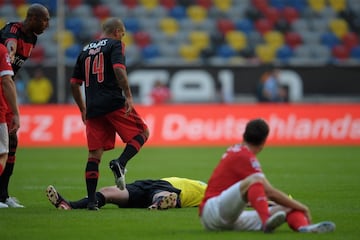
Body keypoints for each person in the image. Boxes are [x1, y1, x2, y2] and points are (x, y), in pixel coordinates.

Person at [199, 118, 335, 233]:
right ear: (264, 142)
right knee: (255, 179)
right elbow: (269, 191)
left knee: (287, 208)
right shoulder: (244, 156)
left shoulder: (237, 150)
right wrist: (302, 207)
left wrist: (293, 205)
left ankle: (305, 228)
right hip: (213, 210)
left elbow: (260, 193)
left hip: (229, 218)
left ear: (244, 135)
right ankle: (266, 222)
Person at [70, 17, 149, 210]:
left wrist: (82, 108)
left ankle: (91, 202)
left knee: (94, 155)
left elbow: (74, 83)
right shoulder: (115, 45)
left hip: (93, 107)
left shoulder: (85, 50)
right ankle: (120, 163)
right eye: (122, 34)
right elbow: (119, 69)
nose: (123, 38)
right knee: (142, 133)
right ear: (117, 32)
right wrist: (129, 96)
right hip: (113, 101)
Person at [0, 3, 50, 208]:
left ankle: (3, 195)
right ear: (33, 18)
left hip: (7, 91)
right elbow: (10, 45)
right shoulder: (13, 30)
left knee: (12, 141)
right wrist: (11, 54)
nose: (48, 24)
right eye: (45, 19)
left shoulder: (33, 38)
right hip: (2, 87)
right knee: (3, 144)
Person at [46, 177, 207, 210]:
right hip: (149, 183)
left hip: (171, 189)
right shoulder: (215, 187)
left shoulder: (214, 194)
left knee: (162, 194)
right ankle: (69, 205)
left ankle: (161, 203)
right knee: (107, 192)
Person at [0, 44, 20, 208]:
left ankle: (3, 195)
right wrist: (16, 113)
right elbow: (7, 80)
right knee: (2, 154)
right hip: (1, 110)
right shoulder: (1, 50)